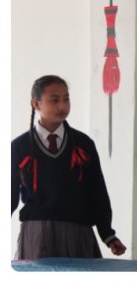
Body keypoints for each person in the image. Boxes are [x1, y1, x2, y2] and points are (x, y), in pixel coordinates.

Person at [12, 75, 127, 259]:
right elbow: (9, 195)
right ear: (36, 104)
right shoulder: (19, 146)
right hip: (37, 233)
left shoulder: (83, 144)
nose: (62, 106)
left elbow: (97, 191)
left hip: (78, 232)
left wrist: (108, 234)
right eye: (54, 100)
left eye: (66, 99)